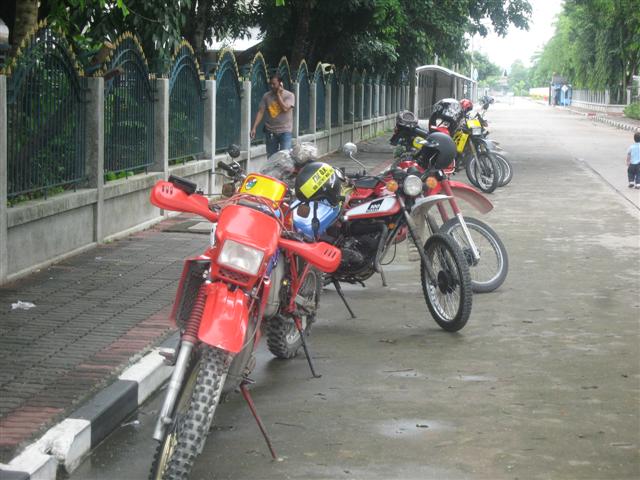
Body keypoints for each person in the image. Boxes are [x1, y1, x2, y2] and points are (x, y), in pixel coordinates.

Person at [250, 73, 295, 158]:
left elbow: (285, 108)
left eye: (274, 84)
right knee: (271, 158)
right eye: (270, 84)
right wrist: (254, 127)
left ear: (280, 83)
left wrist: (278, 95)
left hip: (285, 131)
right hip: (271, 131)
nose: (272, 86)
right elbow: (261, 111)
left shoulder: (289, 95)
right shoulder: (266, 96)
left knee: (285, 157)